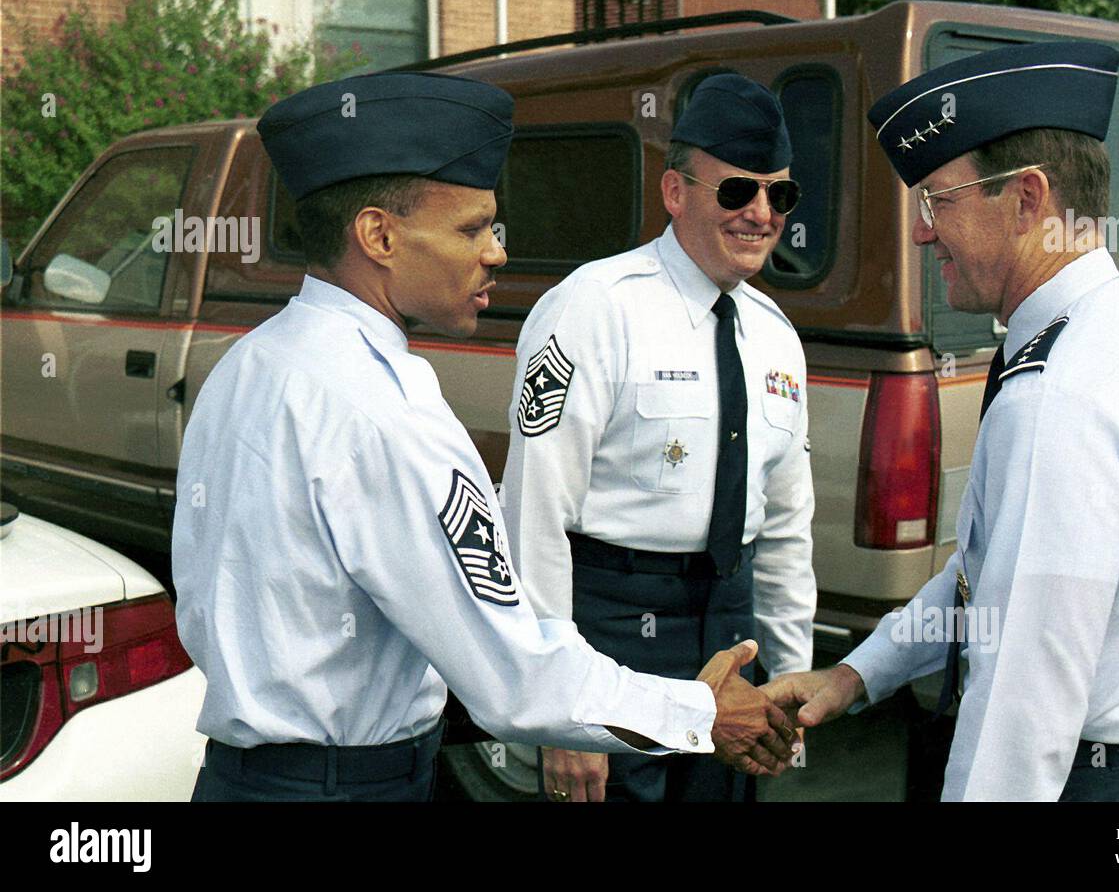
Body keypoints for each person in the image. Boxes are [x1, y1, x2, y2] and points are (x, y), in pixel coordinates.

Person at [172, 71, 797, 802]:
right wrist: (698, 712)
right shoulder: (388, 412)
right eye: (471, 228)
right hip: (351, 786)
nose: (496, 253)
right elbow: (511, 674)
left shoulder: (249, 363)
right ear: (378, 235)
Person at [762, 41, 1119, 801]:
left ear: (1028, 199)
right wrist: (855, 674)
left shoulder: (1060, 399)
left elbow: (1022, 706)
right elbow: (988, 578)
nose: (921, 230)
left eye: (937, 199)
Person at [498, 73, 818, 803]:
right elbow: (534, 517)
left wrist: (790, 679)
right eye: (737, 191)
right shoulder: (593, 308)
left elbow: (788, 528)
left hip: (732, 639)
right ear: (676, 192)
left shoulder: (775, 336)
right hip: (611, 630)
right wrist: (561, 713)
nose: (761, 214)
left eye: (781, 195)